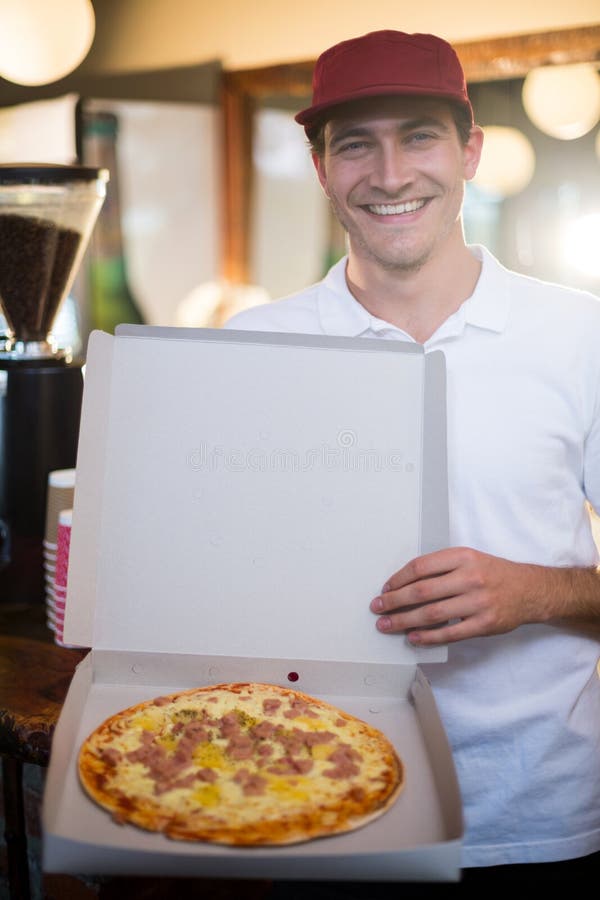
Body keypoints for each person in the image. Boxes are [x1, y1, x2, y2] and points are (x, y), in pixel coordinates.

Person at [225, 30, 600, 885]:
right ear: (321, 166)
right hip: (305, 797)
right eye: (356, 144)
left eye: (419, 136)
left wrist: (535, 590)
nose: (390, 175)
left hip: (536, 816)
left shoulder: (583, 334)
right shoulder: (251, 345)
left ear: (470, 151)